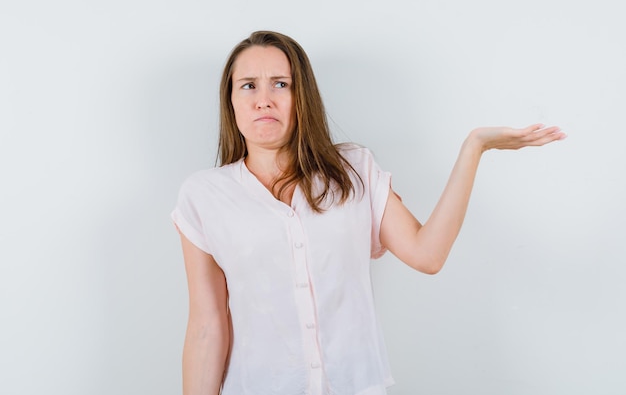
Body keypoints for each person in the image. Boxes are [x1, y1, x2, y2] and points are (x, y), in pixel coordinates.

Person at [171, 30, 566, 395]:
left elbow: (427, 255)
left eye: (281, 84)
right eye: (248, 86)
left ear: (301, 96)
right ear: (231, 100)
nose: (264, 99)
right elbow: (208, 326)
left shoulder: (354, 171)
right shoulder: (204, 196)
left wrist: (474, 148)